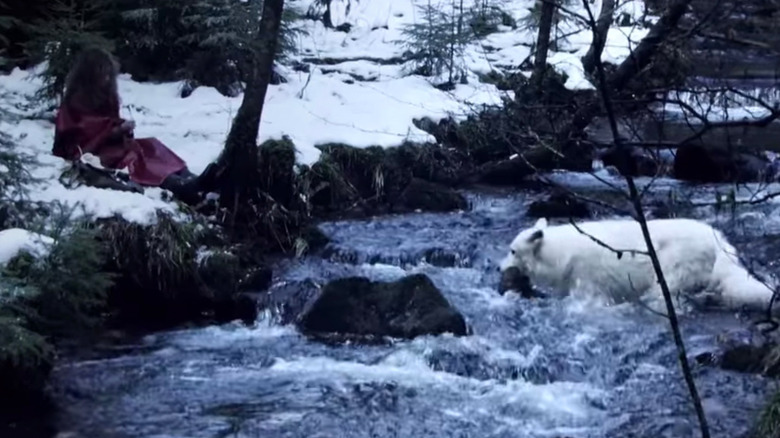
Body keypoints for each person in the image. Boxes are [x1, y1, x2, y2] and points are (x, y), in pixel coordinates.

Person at [53, 47, 215, 203]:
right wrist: (115, 130)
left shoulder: (106, 96)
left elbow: (107, 123)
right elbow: (82, 135)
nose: (107, 79)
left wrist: (122, 128)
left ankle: (189, 176)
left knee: (151, 146)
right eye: (103, 75)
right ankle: (179, 185)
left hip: (111, 145)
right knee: (137, 160)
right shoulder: (75, 101)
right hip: (94, 153)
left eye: (109, 75)